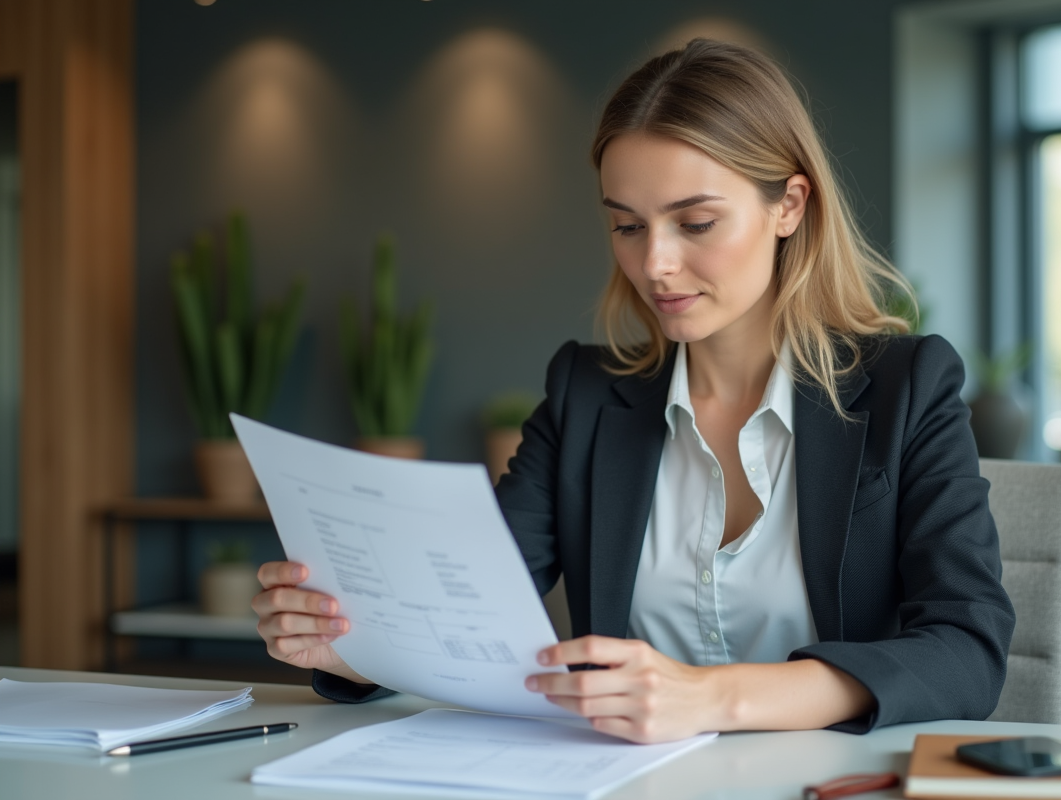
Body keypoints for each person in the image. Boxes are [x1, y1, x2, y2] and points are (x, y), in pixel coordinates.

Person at [252, 39, 1015, 744]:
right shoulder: (586, 396)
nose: (655, 264)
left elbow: (966, 651)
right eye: (628, 226)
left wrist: (711, 697)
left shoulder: (905, 389)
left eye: (696, 222)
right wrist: (354, 647)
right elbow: (471, 612)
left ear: (789, 206)